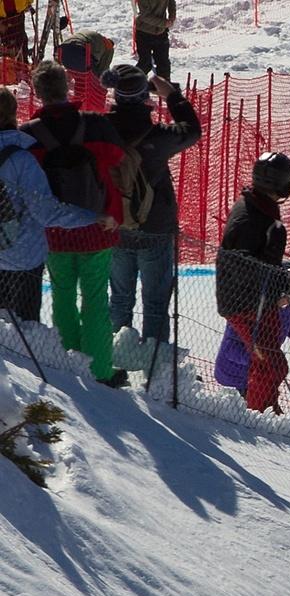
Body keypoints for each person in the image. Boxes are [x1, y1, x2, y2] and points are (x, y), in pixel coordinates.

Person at [20, 60, 127, 387]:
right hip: (98, 226)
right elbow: (118, 158)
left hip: (54, 231)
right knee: (95, 299)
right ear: (68, 86)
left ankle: (68, 360)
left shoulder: (28, 136)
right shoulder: (95, 125)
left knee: (62, 294)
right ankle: (101, 370)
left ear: (37, 93)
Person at [103, 64, 200, 346]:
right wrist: (171, 95)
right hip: (156, 227)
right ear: (145, 97)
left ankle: (113, 360)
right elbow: (192, 130)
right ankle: (154, 368)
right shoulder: (157, 136)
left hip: (117, 224)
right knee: (156, 304)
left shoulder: (101, 129)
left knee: (119, 299)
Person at [0, 86, 116, 323]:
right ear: (13, 114)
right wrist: (92, 216)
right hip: (22, 258)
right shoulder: (22, 159)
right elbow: (46, 211)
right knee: (25, 336)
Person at [214, 151, 290, 412]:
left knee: (270, 363)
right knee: (270, 363)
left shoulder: (257, 207)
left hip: (252, 300)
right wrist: (279, 285)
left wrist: (280, 283)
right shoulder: (253, 215)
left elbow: (261, 260)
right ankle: (258, 412)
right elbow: (243, 264)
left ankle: (267, 407)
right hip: (248, 303)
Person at [214, 260, 290, 412]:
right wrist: (260, 359)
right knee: (261, 414)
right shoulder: (251, 312)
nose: (287, 304)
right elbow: (230, 350)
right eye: (286, 298)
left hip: (261, 377)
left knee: (270, 410)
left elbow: (289, 325)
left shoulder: (282, 310)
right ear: (276, 291)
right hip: (235, 376)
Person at [133, 0, 175, 80]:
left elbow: (171, 2)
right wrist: (164, 23)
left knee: (163, 65)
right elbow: (143, 15)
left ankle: (165, 89)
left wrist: (172, 18)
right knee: (145, 64)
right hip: (144, 33)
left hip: (161, 33)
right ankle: (129, 86)